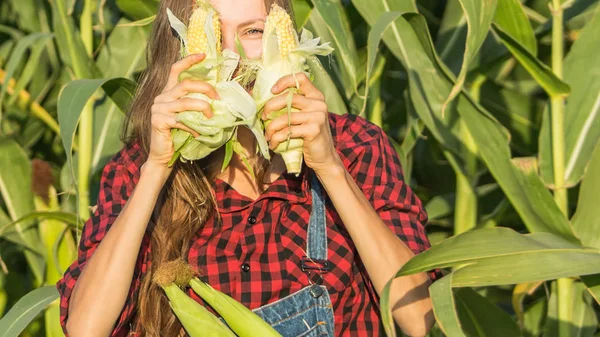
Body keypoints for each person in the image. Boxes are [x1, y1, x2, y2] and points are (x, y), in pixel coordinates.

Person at [56, 0, 441, 336]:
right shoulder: (136, 170)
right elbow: (87, 328)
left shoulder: (355, 148)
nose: (232, 57)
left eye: (253, 32)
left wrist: (329, 167)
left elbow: (418, 317)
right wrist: (157, 168)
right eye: (210, 34)